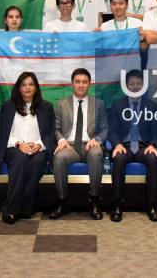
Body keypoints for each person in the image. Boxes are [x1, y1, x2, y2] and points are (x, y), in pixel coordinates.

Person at [49, 68, 109, 220]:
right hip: (68, 145)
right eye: (77, 82)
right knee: (59, 157)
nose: (81, 85)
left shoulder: (99, 104)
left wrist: (97, 139)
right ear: (72, 84)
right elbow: (55, 128)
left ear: (89, 84)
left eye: (84, 82)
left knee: (96, 154)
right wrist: (61, 140)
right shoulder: (61, 104)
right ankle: (62, 201)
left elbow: (104, 128)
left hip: (90, 144)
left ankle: (94, 200)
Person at [0, 71, 56, 224]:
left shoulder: (46, 107)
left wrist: (39, 145)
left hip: (38, 148)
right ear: (18, 88)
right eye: (24, 85)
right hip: (14, 147)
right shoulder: (7, 107)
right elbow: (4, 133)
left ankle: (25, 208)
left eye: (31, 84)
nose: (28, 88)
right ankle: (10, 209)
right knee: (21, 159)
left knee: (37, 162)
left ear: (36, 87)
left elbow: (50, 133)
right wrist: (19, 144)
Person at [108, 69, 157, 222]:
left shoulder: (152, 106)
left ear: (144, 85)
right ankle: (117, 203)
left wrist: (153, 145)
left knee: (153, 159)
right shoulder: (118, 105)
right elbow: (112, 130)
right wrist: (117, 145)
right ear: (126, 86)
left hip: (144, 146)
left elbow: (156, 131)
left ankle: (151, 204)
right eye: (132, 84)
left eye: (139, 83)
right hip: (124, 145)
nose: (135, 86)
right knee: (118, 159)